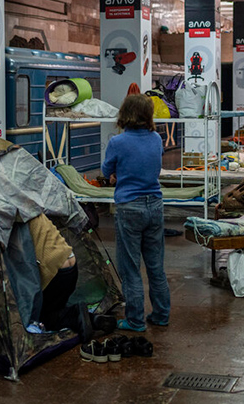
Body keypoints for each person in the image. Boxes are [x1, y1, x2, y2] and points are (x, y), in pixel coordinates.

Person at [102, 94, 169, 331]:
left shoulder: (117, 142)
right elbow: (152, 165)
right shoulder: (156, 139)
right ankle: (161, 315)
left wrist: (117, 174)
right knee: (156, 266)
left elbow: (106, 169)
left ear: (125, 114)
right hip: (155, 205)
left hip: (130, 207)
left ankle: (135, 320)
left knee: (130, 268)